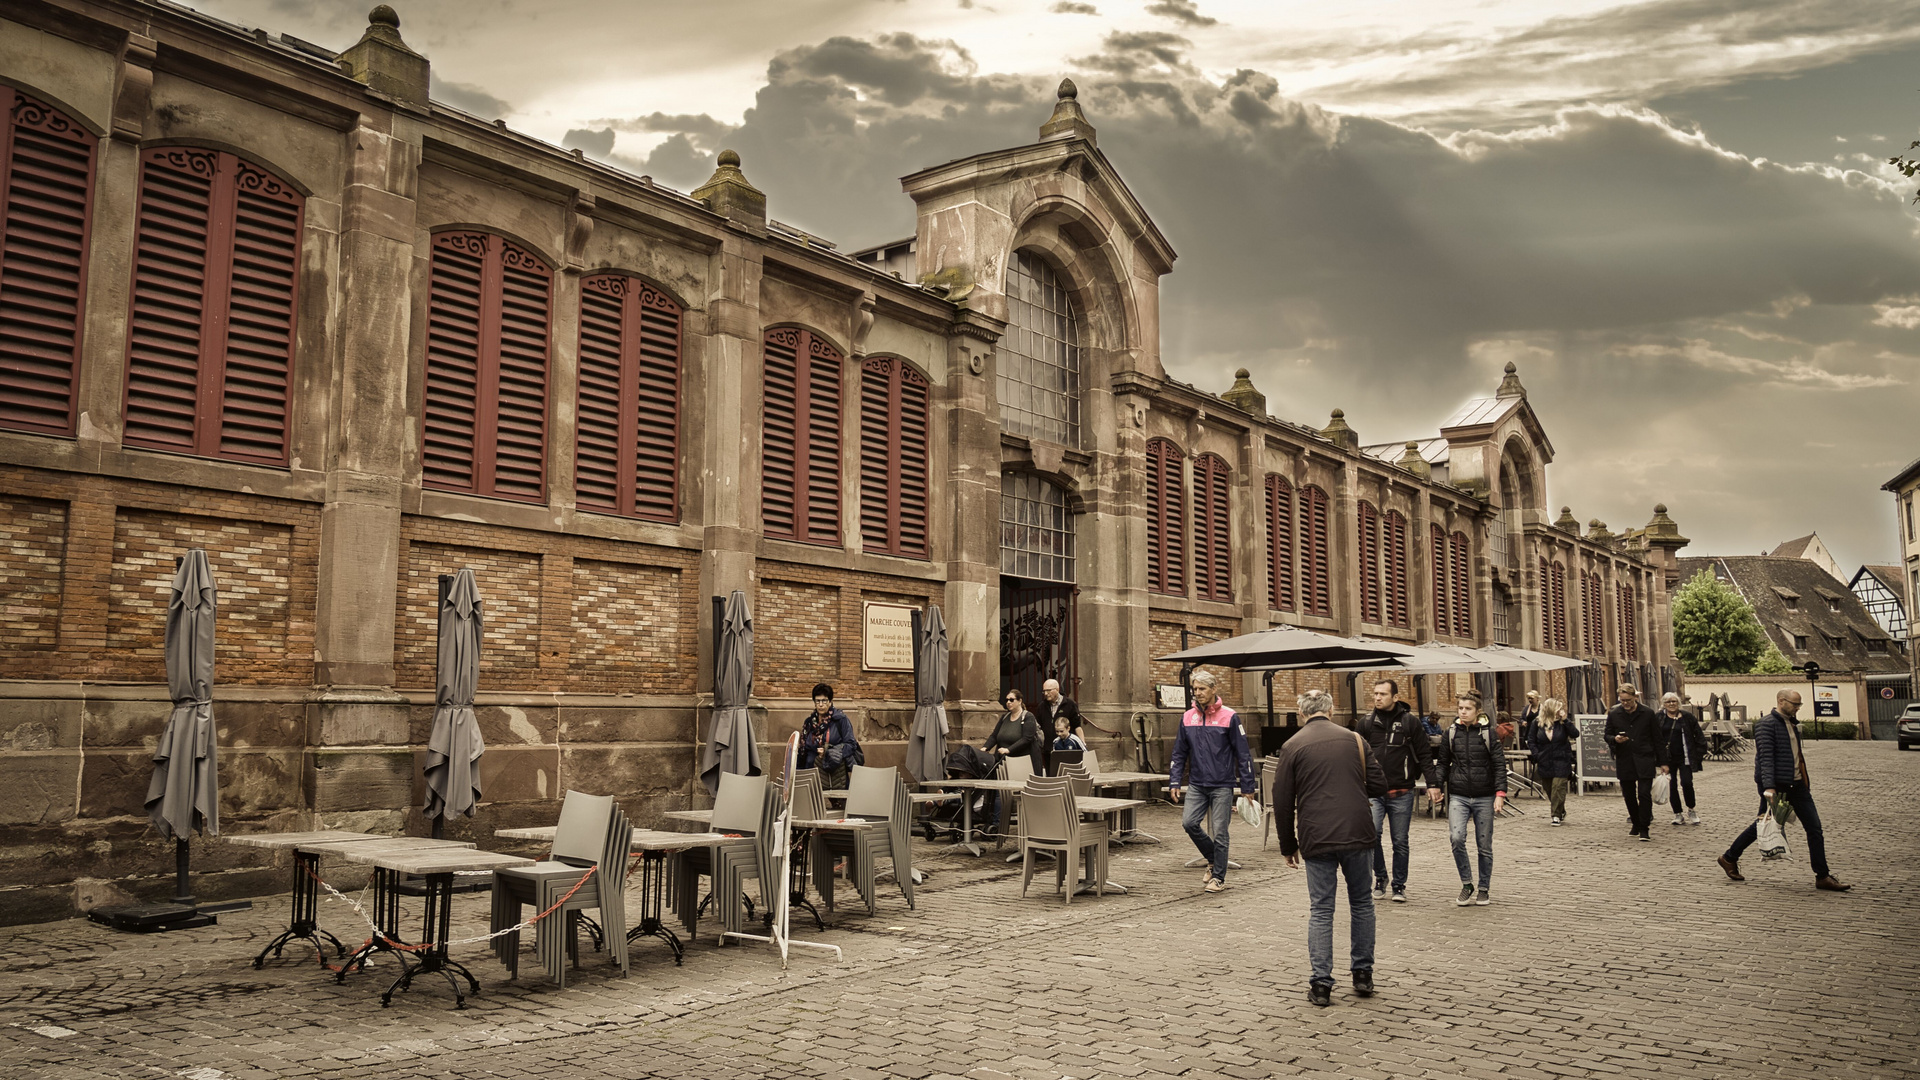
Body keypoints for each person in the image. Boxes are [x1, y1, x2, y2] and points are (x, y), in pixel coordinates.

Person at [1274, 688, 1388, 1007]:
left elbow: (1282, 802)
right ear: (1332, 709)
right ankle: (1363, 974)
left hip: (1316, 835)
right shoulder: (1355, 740)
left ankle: (1321, 983)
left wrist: (1288, 845)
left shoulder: (1292, 745)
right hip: (1357, 831)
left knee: (1321, 908)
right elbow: (1379, 786)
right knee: (1362, 902)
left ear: (1301, 713)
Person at [1717, 690, 1850, 891]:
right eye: (1795, 704)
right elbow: (1766, 758)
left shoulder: (1792, 723)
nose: (1797, 708)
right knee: (1764, 825)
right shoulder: (1765, 725)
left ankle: (1822, 876)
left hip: (1797, 785)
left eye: (1799, 705)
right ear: (1781, 701)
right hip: (1776, 786)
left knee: (1814, 828)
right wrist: (1769, 787)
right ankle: (1729, 857)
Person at [1168, 669, 1258, 894]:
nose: (1197, 693)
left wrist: (1248, 786)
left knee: (1220, 831)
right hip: (1197, 783)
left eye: (1202, 689)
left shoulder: (1229, 716)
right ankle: (1212, 858)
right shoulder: (1188, 717)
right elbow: (1179, 752)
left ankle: (1218, 876)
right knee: (1189, 823)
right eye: (1195, 689)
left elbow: (1243, 753)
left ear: (1213, 689)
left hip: (1222, 784)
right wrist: (1174, 781)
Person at [1353, 678, 1440, 903]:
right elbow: (1355, 757)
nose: (1377, 698)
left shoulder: (1410, 722)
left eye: (1382, 694)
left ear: (1395, 697)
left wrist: (1432, 784)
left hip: (1401, 792)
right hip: (1373, 793)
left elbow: (1424, 754)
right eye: (1375, 694)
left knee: (1400, 840)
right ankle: (1380, 878)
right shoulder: (1366, 723)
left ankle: (1399, 885)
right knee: (1372, 836)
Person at [1435, 690, 1506, 906]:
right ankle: (1467, 884)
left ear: (1477, 712)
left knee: (1484, 845)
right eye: (1460, 708)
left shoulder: (1488, 733)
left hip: (1484, 795)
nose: (1463, 712)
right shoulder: (1451, 732)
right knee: (1457, 838)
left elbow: (1499, 764)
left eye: (1468, 709)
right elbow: (1443, 762)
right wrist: (1436, 786)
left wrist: (1500, 794)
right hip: (1459, 795)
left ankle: (1484, 888)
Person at [1604, 683, 1661, 841]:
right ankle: (1635, 822)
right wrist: (1615, 739)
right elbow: (1607, 735)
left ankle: (1644, 827)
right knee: (1628, 795)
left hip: (1645, 757)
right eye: (1622, 701)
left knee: (1644, 794)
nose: (1625, 704)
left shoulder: (1648, 713)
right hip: (1625, 758)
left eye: (1628, 700)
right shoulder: (1614, 713)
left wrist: (1663, 762)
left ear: (1635, 697)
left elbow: (1658, 739)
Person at [797, 683, 861, 791]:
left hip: (835, 774)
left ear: (830, 702)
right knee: (812, 805)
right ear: (814, 703)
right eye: (818, 701)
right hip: (811, 771)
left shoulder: (840, 720)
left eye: (824, 701)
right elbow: (803, 750)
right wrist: (797, 773)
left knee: (840, 805)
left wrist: (828, 751)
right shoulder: (809, 723)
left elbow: (851, 744)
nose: (821, 704)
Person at [1530, 697, 1577, 826]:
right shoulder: (1537, 723)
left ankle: (1555, 815)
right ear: (1550, 709)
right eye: (1558, 708)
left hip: (1561, 759)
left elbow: (1575, 734)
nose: (1560, 711)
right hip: (1545, 760)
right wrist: (1536, 754)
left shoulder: (1562, 723)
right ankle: (1560, 810)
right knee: (1549, 788)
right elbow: (1531, 740)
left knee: (1558, 786)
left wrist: (1565, 720)